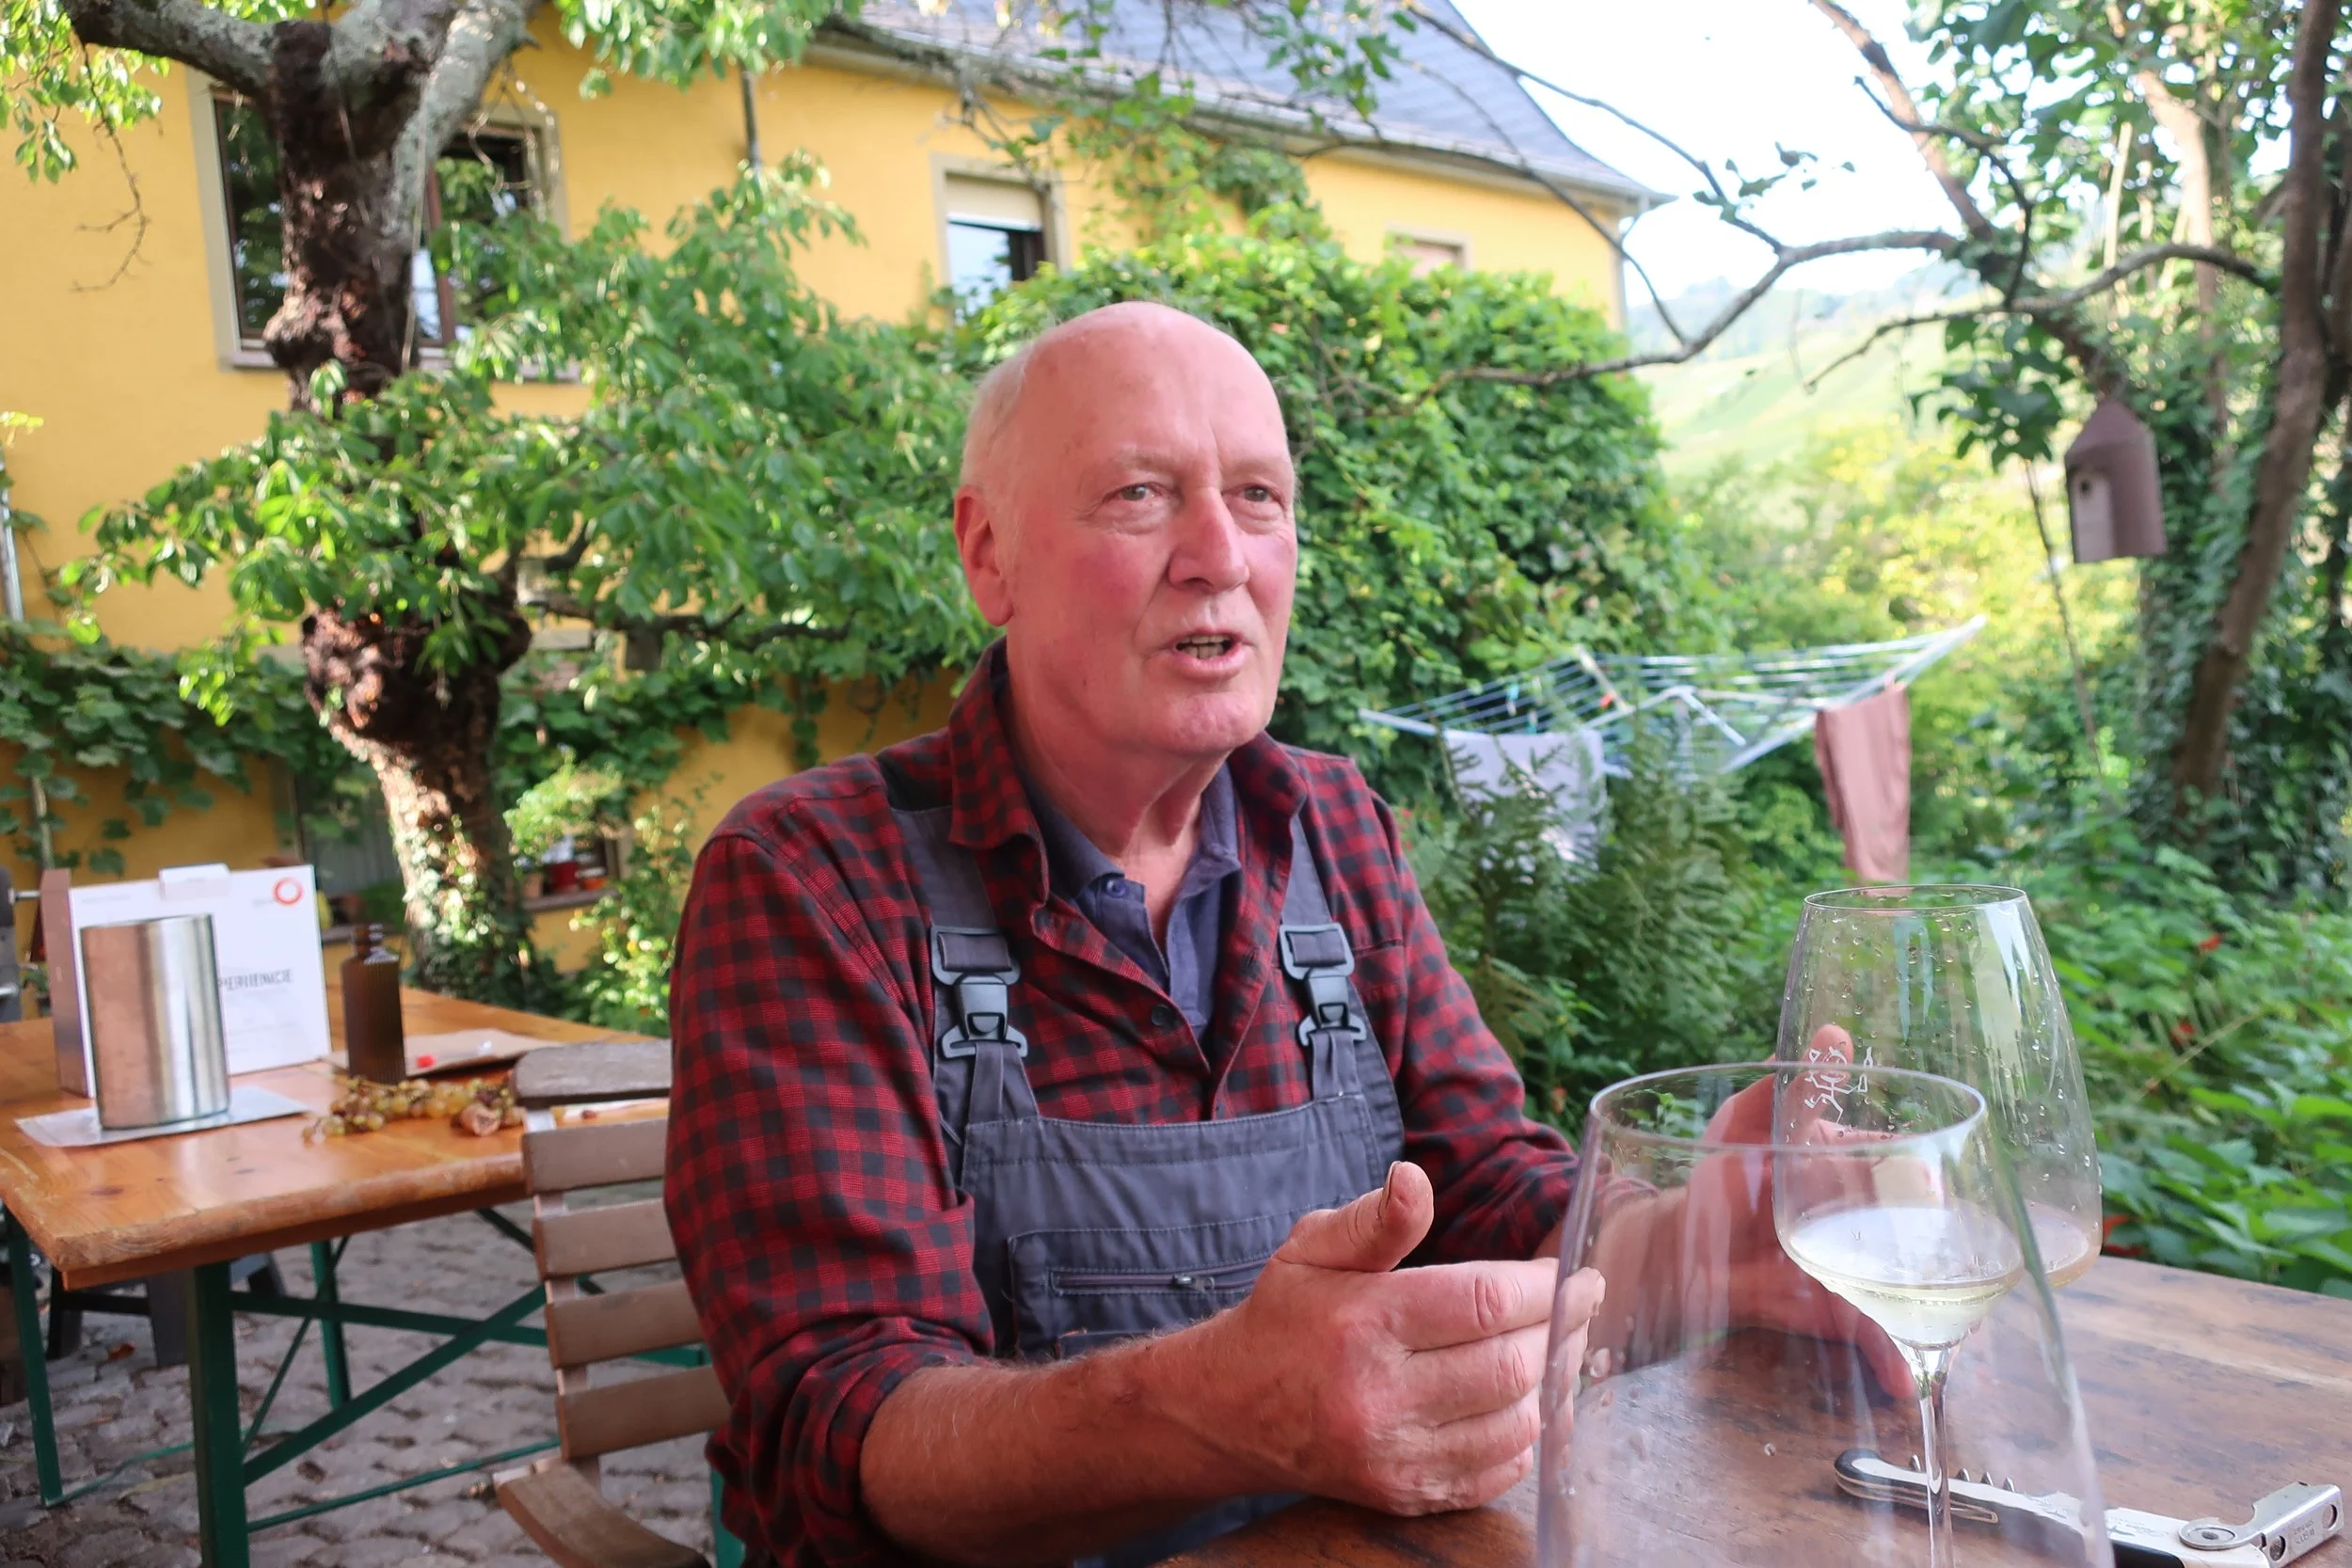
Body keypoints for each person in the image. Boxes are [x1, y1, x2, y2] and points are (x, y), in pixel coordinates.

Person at [662, 303, 1861, 1568]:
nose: (1220, 554)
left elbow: (1489, 1194)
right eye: (1139, 493)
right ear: (989, 554)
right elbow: (835, 1424)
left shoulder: (1334, 825)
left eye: (1258, 496)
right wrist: (1224, 1412)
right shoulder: (813, 881)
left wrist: (1688, 1240)